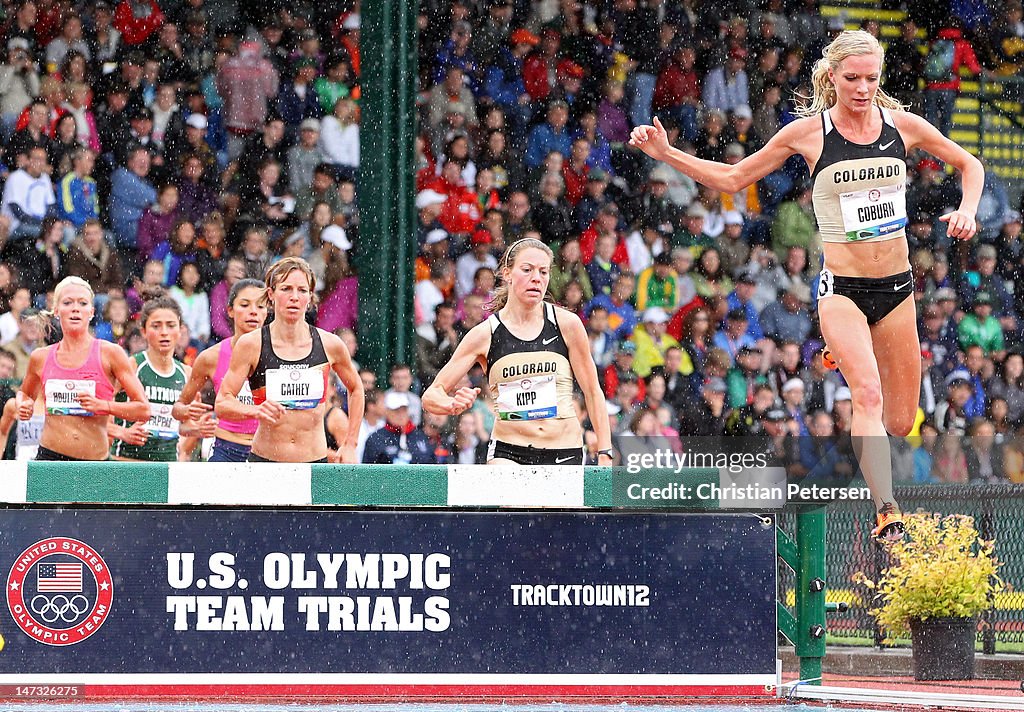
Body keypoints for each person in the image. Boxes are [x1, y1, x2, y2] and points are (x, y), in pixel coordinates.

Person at [630, 30, 984, 542]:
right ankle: (887, 512)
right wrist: (668, 155)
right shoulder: (808, 134)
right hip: (842, 288)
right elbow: (733, 179)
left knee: (902, 417)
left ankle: (860, 364)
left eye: (871, 78)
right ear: (832, 77)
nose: (862, 89)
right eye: (852, 78)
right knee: (866, 394)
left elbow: (969, 164)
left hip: (898, 288)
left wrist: (968, 211)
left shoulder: (901, 126)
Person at [422, 238, 613, 466]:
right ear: (507, 273)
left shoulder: (567, 325)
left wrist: (605, 452)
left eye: (543, 272)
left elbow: (592, 392)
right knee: (517, 500)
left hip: (564, 450)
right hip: (508, 452)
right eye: (527, 270)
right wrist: (450, 404)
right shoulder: (485, 334)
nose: (536, 278)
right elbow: (431, 395)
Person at [215, 257, 364, 463]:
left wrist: (350, 444)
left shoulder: (330, 344)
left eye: (302, 290)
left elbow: (356, 388)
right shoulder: (252, 344)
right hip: (266, 461)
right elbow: (222, 403)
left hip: (314, 462)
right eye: (286, 289)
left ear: (310, 297)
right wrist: (255, 410)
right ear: (271, 294)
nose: (294, 297)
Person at [14, 276, 150, 460]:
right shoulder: (40, 357)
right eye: (68, 302)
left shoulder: (111, 353)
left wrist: (103, 405)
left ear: (92, 312)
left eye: (83, 303)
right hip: (50, 459)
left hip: (95, 462)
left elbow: (143, 409)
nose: (75, 308)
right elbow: (24, 395)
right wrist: (23, 404)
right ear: (56, 311)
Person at [175, 278, 267, 462]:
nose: (253, 312)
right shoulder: (210, 357)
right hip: (227, 449)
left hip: (268, 450)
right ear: (230, 311)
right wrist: (189, 415)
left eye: (260, 306)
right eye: (245, 304)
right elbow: (178, 408)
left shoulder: (281, 354)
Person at [109, 293, 199, 462]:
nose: (164, 332)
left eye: (171, 325)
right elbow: (98, 408)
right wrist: (122, 433)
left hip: (166, 469)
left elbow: (186, 425)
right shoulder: (132, 365)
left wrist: (194, 434)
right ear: (143, 331)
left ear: (181, 330)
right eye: (156, 326)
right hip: (126, 463)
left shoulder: (186, 373)